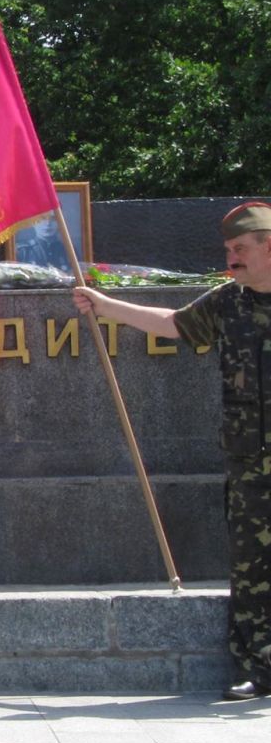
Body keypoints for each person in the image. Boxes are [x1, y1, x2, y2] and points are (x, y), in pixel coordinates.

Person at [73, 201, 271, 701]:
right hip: (252, 462)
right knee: (252, 566)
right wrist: (104, 305)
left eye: (241, 249)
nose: (232, 259)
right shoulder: (230, 302)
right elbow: (174, 323)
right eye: (228, 250)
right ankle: (258, 666)